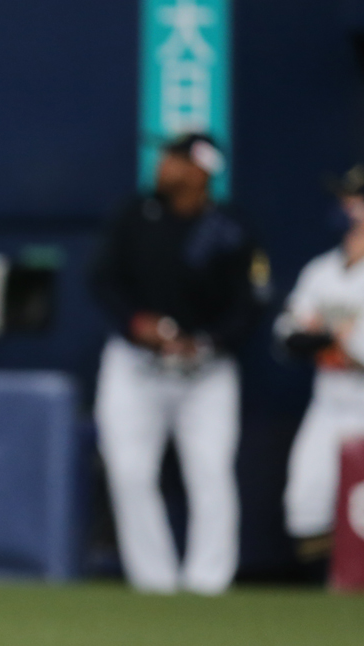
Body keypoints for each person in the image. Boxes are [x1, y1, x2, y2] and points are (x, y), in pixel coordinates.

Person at [90, 133, 265, 595]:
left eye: (174, 159)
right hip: (137, 365)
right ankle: (154, 583)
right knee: (129, 471)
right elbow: (102, 279)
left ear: (199, 170)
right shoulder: (135, 213)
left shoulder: (230, 227)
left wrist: (207, 341)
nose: (162, 166)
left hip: (206, 371)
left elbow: (250, 304)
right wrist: (137, 323)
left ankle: (208, 583)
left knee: (211, 471)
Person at [275, 165, 364, 578]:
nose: (351, 207)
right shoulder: (321, 271)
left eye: (358, 198)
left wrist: (331, 339)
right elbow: (287, 337)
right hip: (329, 403)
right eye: (349, 198)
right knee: (305, 504)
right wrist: (331, 340)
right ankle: (330, 596)